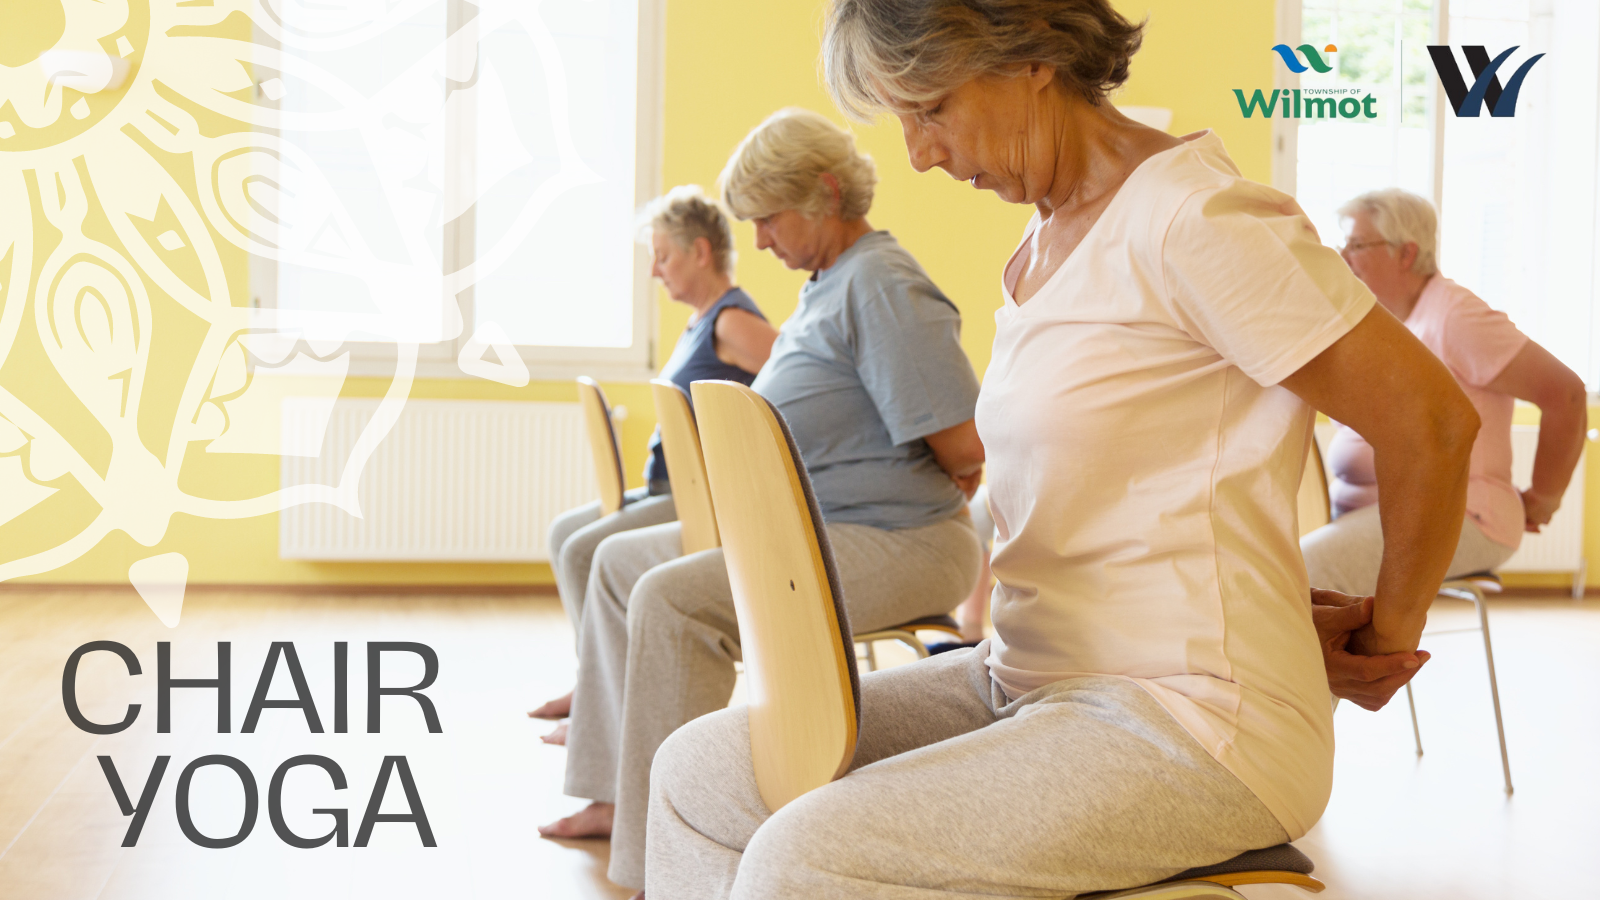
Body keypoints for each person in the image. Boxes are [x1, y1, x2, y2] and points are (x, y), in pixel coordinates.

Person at [643, 3, 1481, 897]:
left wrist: (1383, 638)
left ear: (1029, 53)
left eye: (929, 108)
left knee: (807, 858)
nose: (920, 153)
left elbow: (1432, 423)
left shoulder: (1197, 218)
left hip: (1192, 718)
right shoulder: (1043, 240)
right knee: (701, 774)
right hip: (1027, 675)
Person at [539, 107, 986, 893]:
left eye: (769, 220)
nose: (764, 241)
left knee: (673, 599)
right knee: (623, 566)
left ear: (823, 191)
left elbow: (968, 452)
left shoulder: (881, 283)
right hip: (830, 527)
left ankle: (657, 859)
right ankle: (621, 796)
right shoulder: (828, 284)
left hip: (901, 539)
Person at [531, 186, 777, 739]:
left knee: (584, 549)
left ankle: (605, 709)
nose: (654, 271)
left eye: (663, 256)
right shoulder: (701, 319)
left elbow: (799, 383)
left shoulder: (733, 321)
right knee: (566, 536)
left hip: (698, 495)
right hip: (668, 485)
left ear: (700, 252)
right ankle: (596, 685)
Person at [1302, 188, 1588, 596]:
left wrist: (1546, 496)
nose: (1343, 257)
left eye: (1357, 244)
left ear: (1406, 253)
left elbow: (1567, 393)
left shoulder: (1455, 315)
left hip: (1464, 514)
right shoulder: (1392, 321)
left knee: (1303, 574)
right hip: (1381, 513)